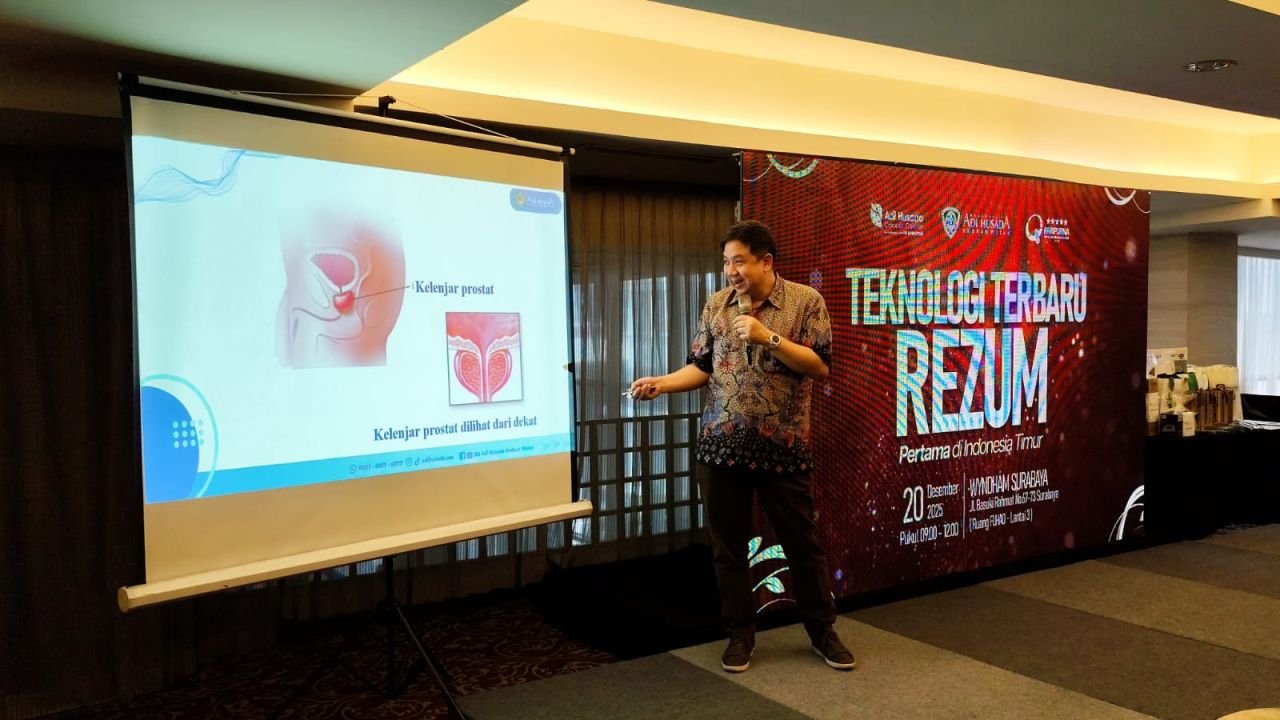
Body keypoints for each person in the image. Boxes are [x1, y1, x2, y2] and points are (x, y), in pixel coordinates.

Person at [629, 220, 855, 673]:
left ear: (766, 261)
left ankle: (822, 632)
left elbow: (820, 367)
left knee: (802, 546)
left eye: (739, 261)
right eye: (726, 262)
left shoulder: (805, 302)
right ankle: (739, 635)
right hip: (721, 448)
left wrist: (767, 336)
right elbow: (702, 367)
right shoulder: (717, 305)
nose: (731, 271)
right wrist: (662, 384)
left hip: (783, 448)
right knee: (727, 549)